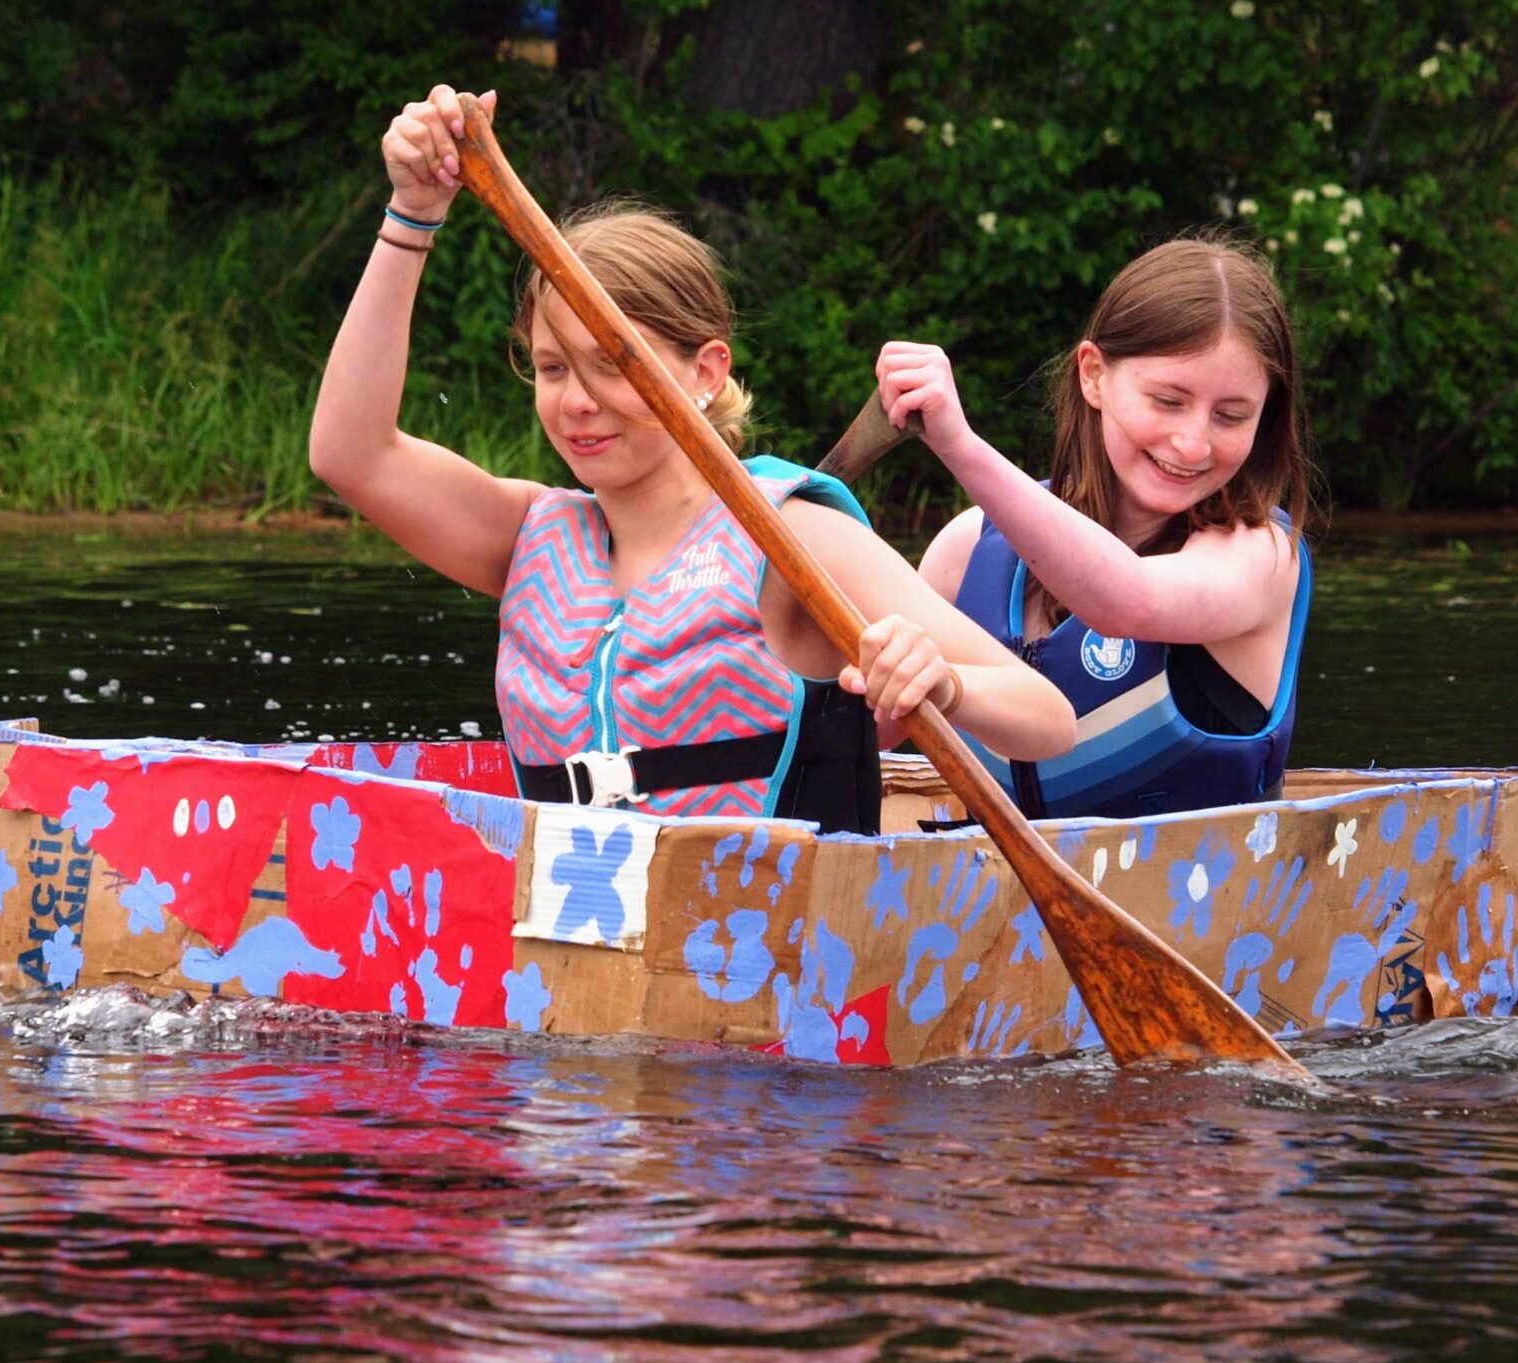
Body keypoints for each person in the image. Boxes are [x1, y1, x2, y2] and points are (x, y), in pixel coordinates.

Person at [309, 87, 1075, 831]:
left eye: (613, 364)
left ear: (706, 371)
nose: (577, 401)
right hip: (560, 949)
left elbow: (1047, 717)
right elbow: (350, 454)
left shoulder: (793, 538)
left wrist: (943, 686)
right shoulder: (526, 538)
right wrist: (411, 216)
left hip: (763, 944)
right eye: (551, 369)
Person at [874, 235, 1315, 822]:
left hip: (1196, 907)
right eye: (1167, 400)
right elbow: (866, 730)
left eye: (1231, 416)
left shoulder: (1261, 556)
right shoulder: (967, 549)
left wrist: (958, 446)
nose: (1192, 442)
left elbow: (1129, 598)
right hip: (984, 902)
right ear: (1094, 376)